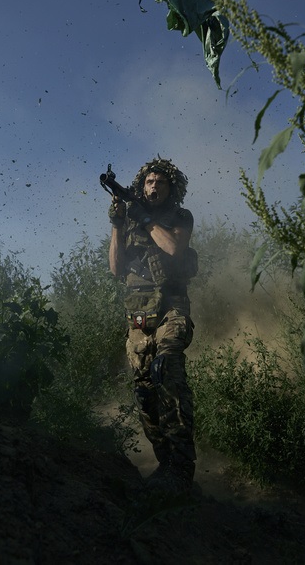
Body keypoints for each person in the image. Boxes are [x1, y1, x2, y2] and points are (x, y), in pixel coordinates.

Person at [108, 157, 198, 493]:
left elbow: (174, 248)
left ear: (171, 188)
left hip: (171, 310)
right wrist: (118, 225)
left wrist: (145, 220)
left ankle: (182, 471)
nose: (154, 186)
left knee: (169, 372)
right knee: (144, 393)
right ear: (140, 186)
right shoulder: (132, 222)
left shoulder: (179, 217)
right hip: (138, 317)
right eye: (149, 182)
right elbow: (116, 269)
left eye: (161, 182)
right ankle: (165, 463)